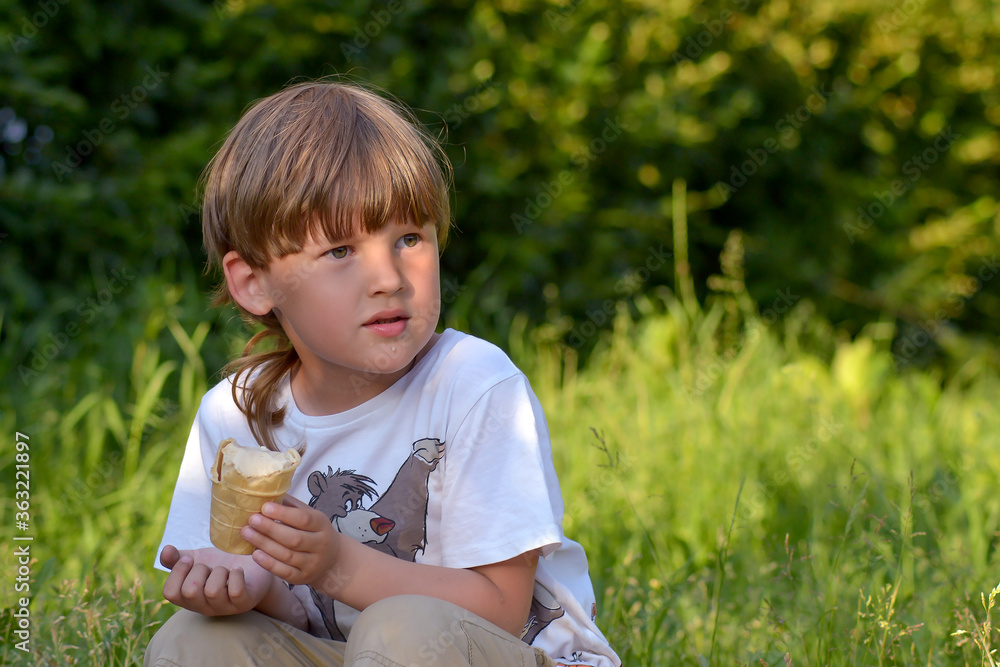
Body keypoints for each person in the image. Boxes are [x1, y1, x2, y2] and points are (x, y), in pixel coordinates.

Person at [146, 80, 621, 667]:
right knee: (192, 642)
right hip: (356, 656)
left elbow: (502, 606)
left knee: (403, 628)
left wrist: (337, 563)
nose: (390, 278)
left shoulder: (473, 385)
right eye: (341, 251)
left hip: (495, 654)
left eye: (409, 238)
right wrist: (246, 588)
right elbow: (302, 616)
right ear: (254, 282)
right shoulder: (237, 414)